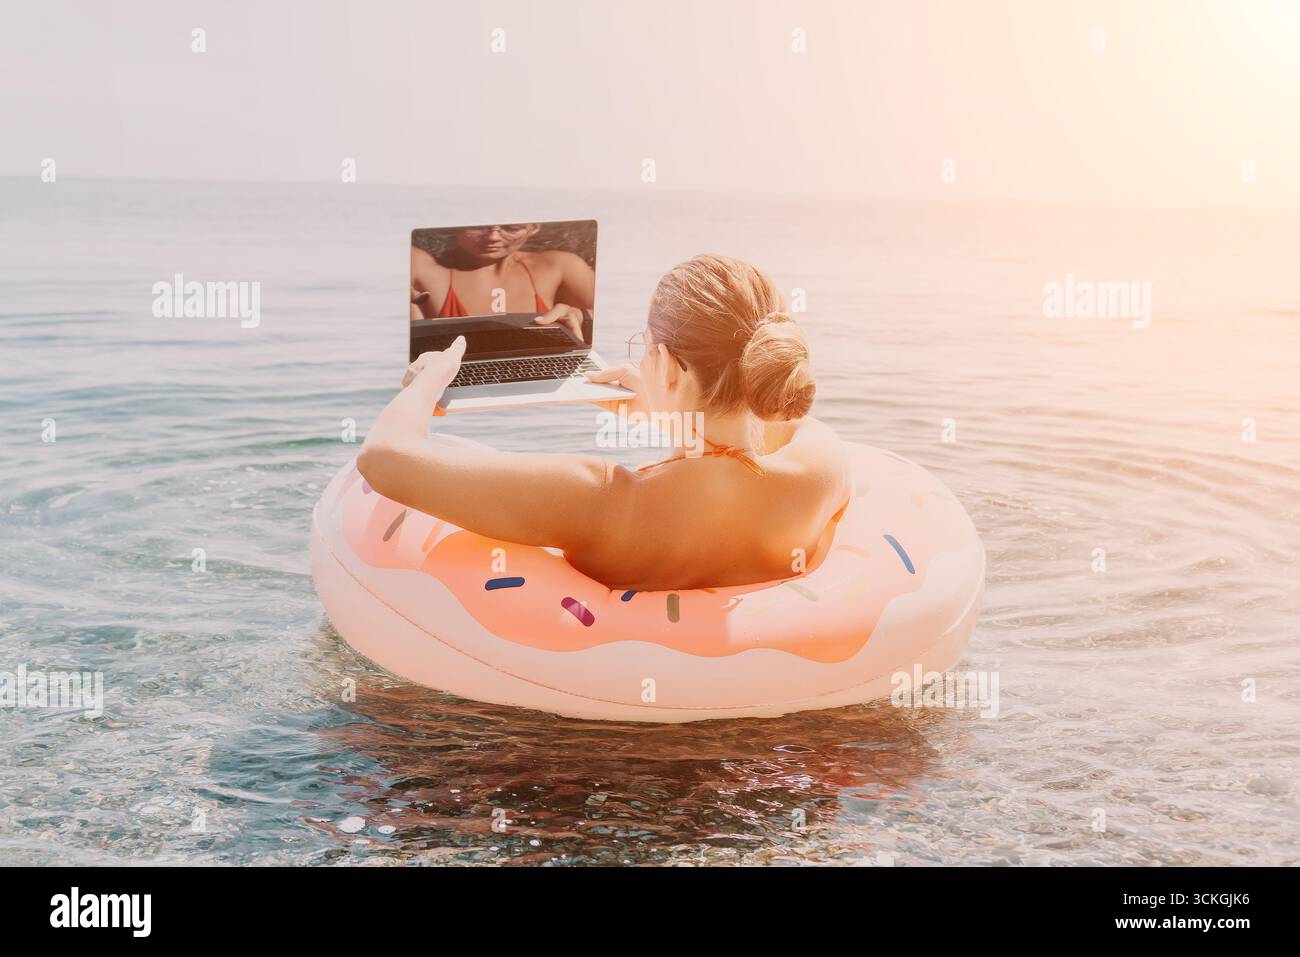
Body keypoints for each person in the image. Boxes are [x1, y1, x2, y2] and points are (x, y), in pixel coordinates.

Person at [361, 254, 850, 591]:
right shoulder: (820, 471)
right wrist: (669, 410)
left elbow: (383, 460)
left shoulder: (601, 499)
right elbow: (781, 427)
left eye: (646, 349)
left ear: (669, 367)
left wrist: (430, 379)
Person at [410, 223, 591, 339]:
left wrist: (580, 316)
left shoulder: (559, 266)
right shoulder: (423, 266)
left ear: (534, 227)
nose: (493, 237)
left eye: (511, 228)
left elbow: (612, 322)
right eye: (479, 225)